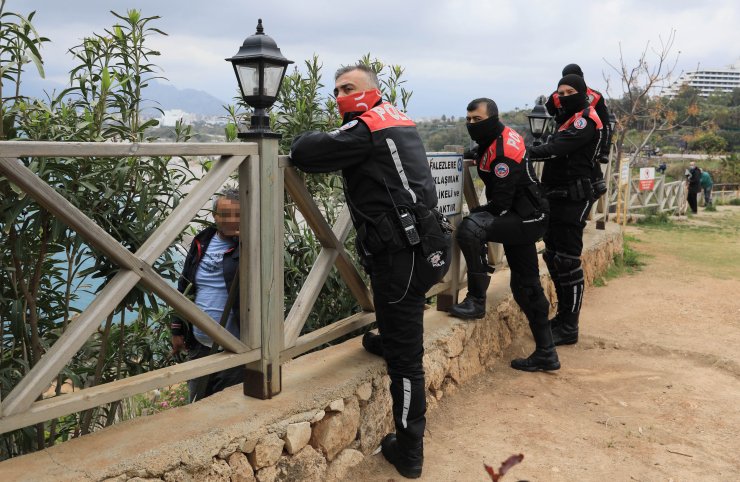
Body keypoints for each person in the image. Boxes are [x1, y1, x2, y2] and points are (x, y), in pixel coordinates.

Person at [290, 64, 451, 479]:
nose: (342, 95)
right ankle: (393, 337)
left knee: (407, 362)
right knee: (402, 323)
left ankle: (410, 450)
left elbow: (306, 151)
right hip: (425, 245)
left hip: (401, 255)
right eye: (338, 89)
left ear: (372, 91)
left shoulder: (366, 128)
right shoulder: (398, 119)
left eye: (350, 88)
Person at [449, 98, 558, 372]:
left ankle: (476, 300)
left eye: (478, 119)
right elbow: (481, 152)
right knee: (525, 287)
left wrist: (478, 214)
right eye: (469, 119)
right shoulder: (496, 137)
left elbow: (499, 203)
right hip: (523, 214)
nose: (472, 124)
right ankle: (547, 352)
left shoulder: (503, 151)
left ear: (492, 118)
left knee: (471, 227)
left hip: (526, 216)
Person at [528, 73, 603, 347]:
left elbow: (559, 148)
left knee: (568, 262)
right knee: (553, 256)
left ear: (582, 92)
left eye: (570, 90)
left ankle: (569, 327)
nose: (563, 95)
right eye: (561, 91)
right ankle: (561, 319)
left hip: (575, 196)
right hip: (557, 195)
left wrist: (524, 152)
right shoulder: (566, 118)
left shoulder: (585, 119)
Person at [170, 187, 244, 402]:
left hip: (235, 347)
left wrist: (245, 242)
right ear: (214, 216)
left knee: (228, 406)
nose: (231, 220)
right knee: (197, 403)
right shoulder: (202, 241)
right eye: (224, 215)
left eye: (238, 215)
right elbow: (184, 285)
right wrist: (177, 329)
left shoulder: (251, 244)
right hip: (199, 345)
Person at [546, 64, 611, 198]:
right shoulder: (555, 96)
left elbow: (605, 124)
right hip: (563, 133)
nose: (565, 95)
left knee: (585, 162)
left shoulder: (596, 97)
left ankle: (595, 184)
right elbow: (545, 116)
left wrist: (604, 150)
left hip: (587, 134)